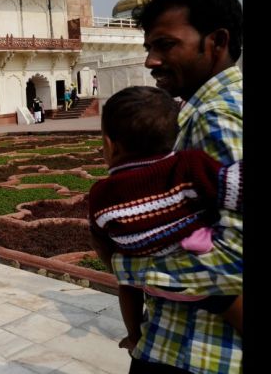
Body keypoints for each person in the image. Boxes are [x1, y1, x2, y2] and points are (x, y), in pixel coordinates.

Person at [119, 0, 243, 373]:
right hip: (183, 339)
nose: (151, 61)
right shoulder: (209, 110)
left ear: (217, 42)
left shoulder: (215, 118)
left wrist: (127, 262)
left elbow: (231, 256)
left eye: (166, 45)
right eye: (149, 47)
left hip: (200, 352)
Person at [88, 87, 243, 366]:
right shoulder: (187, 165)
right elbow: (232, 188)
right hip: (200, 273)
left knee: (126, 284)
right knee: (224, 289)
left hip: (145, 280)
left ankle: (134, 335)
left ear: (111, 146)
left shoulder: (101, 192)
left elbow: (101, 239)